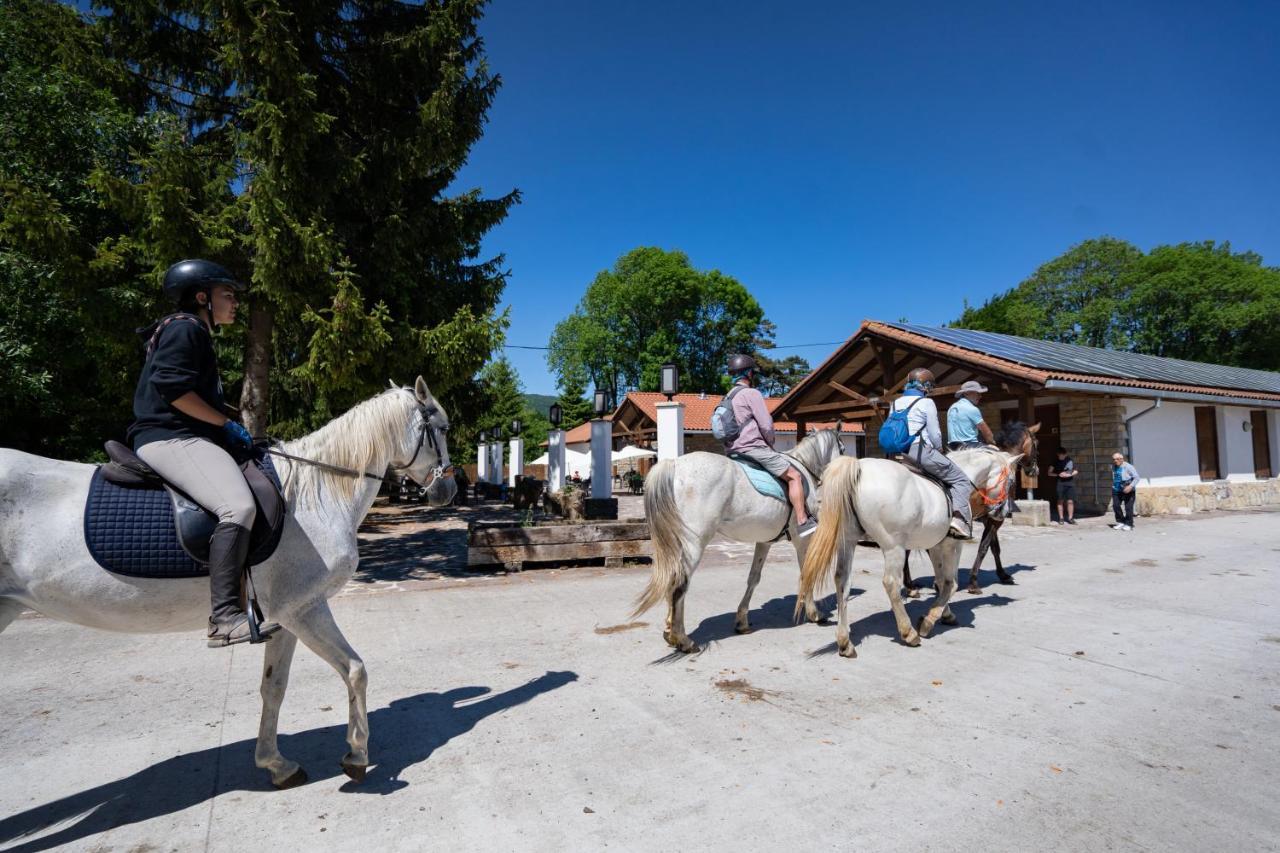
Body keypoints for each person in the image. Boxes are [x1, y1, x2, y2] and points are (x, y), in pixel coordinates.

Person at [127, 259, 279, 648]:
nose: (234, 303)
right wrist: (223, 424)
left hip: (179, 435)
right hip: (171, 437)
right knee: (237, 507)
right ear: (201, 297)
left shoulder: (189, 330)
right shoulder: (186, 328)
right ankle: (225, 617)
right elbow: (175, 392)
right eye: (227, 295)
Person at [722, 354, 817, 537]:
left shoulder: (727, 398)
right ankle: (802, 521)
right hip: (753, 449)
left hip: (732, 451)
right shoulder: (752, 394)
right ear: (749, 373)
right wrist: (770, 442)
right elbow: (766, 424)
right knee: (794, 476)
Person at [892, 367, 973, 539]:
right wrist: (939, 449)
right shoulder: (926, 403)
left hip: (899, 453)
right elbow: (935, 434)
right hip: (921, 452)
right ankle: (959, 521)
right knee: (961, 480)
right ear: (926, 386)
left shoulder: (896, 402)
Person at [947, 380, 995, 450]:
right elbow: (988, 435)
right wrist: (992, 443)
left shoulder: (952, 408)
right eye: (978, 393)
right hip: (970, 446)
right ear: (966, 393)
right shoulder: (972, 409)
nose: (980, 396)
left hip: (952, 447)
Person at [1111, 452, 1139, 530]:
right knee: (1116, 506)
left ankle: (1129, 524)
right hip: (1116, 489)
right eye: (1114, 459)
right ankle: (1121, 522)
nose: (1115, 461)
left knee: (1128, 508)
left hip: (1128, 489)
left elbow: (1137, 477)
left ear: (1122, 459)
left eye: (1117, 459)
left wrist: (1130, 486)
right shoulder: (1113, 467)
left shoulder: (1128, 467)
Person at [1049, 446, 1077, 525]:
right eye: (1060, 455)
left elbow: (1076, 471)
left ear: (1066, 454)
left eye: (1063, 455)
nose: (1062, 457)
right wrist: (1058, 474)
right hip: (1060, 483)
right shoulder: (1055, 461)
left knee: (1070, 501)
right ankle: (1061, 518)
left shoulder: (1070, 460)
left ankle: (1070, 518)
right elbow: (1049, 473)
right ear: (1058, 454)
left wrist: (1069, 475)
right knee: (1060, 500)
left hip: (1070, 483)